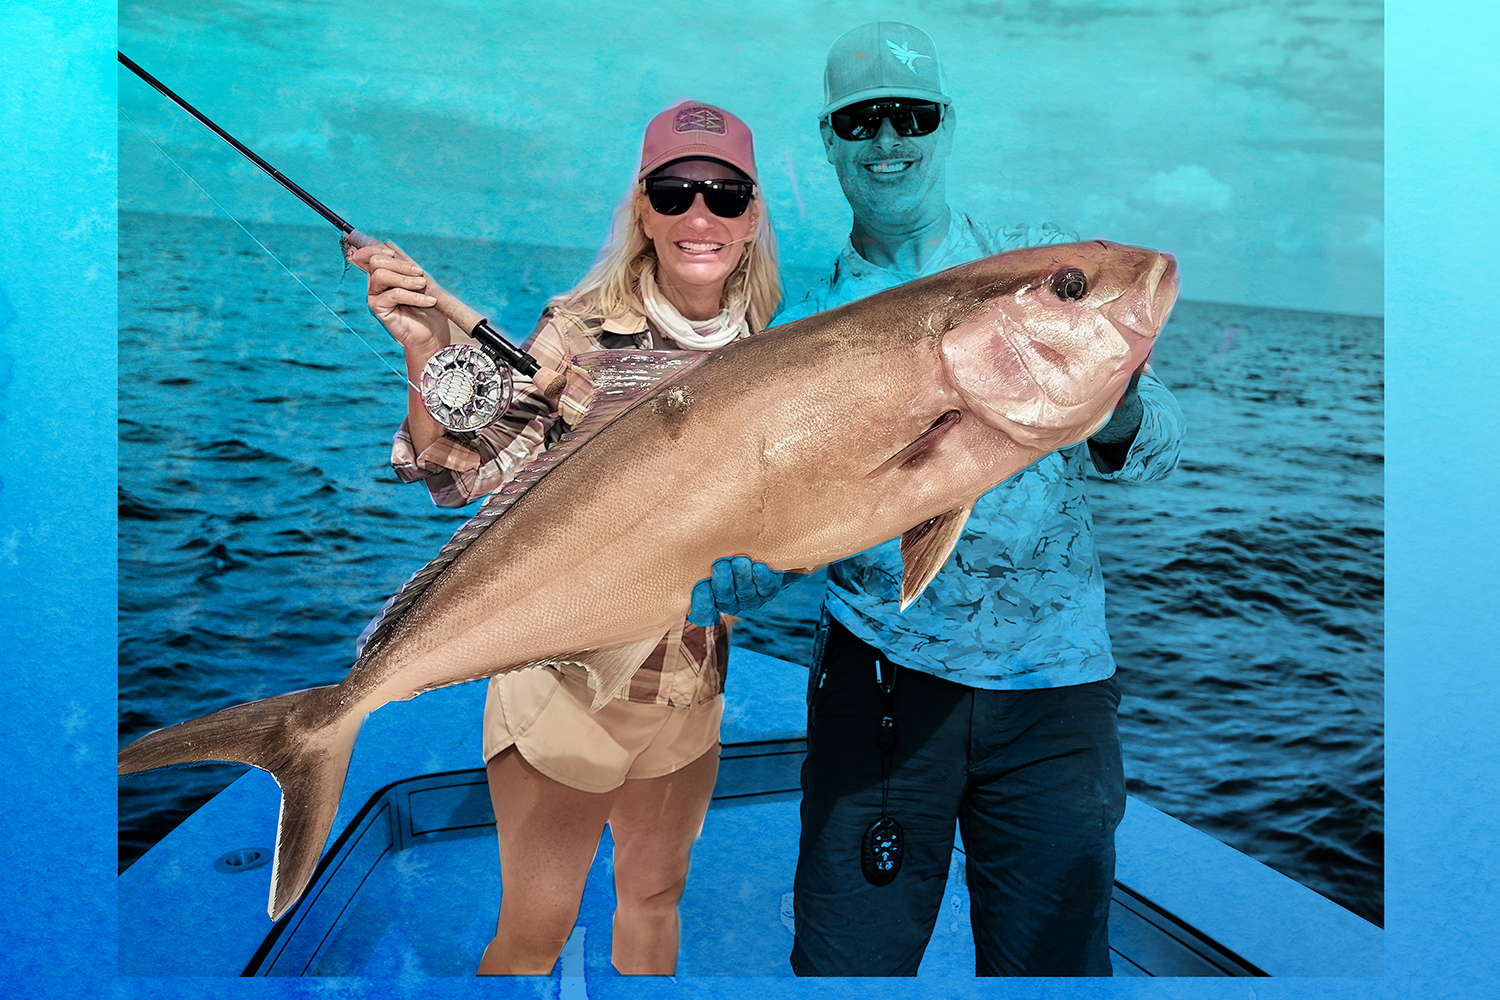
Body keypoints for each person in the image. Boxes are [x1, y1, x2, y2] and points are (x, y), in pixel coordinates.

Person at [777, 23, 1187, 977]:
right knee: (847, 967)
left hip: (1056, 690)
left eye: (910, 116)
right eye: (861, 122)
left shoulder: (1038, 271)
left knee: (1055, 967)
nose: (888, 143)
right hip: (877, 676)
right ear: (832, 140)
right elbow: (766, 527)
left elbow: (1160, 448)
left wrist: (1113, 401)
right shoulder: (802, 318)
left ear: (945, 124)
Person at [354, 100, 783, 975]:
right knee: (534, 931)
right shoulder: (582, 332)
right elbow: (461, 472)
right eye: (675, 192)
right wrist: (425, 352)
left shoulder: (780, 346)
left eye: (724, 195)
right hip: (563, 693)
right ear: (643, 210)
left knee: (657, 901)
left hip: (689, 686)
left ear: (752, 216)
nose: (699, 215)